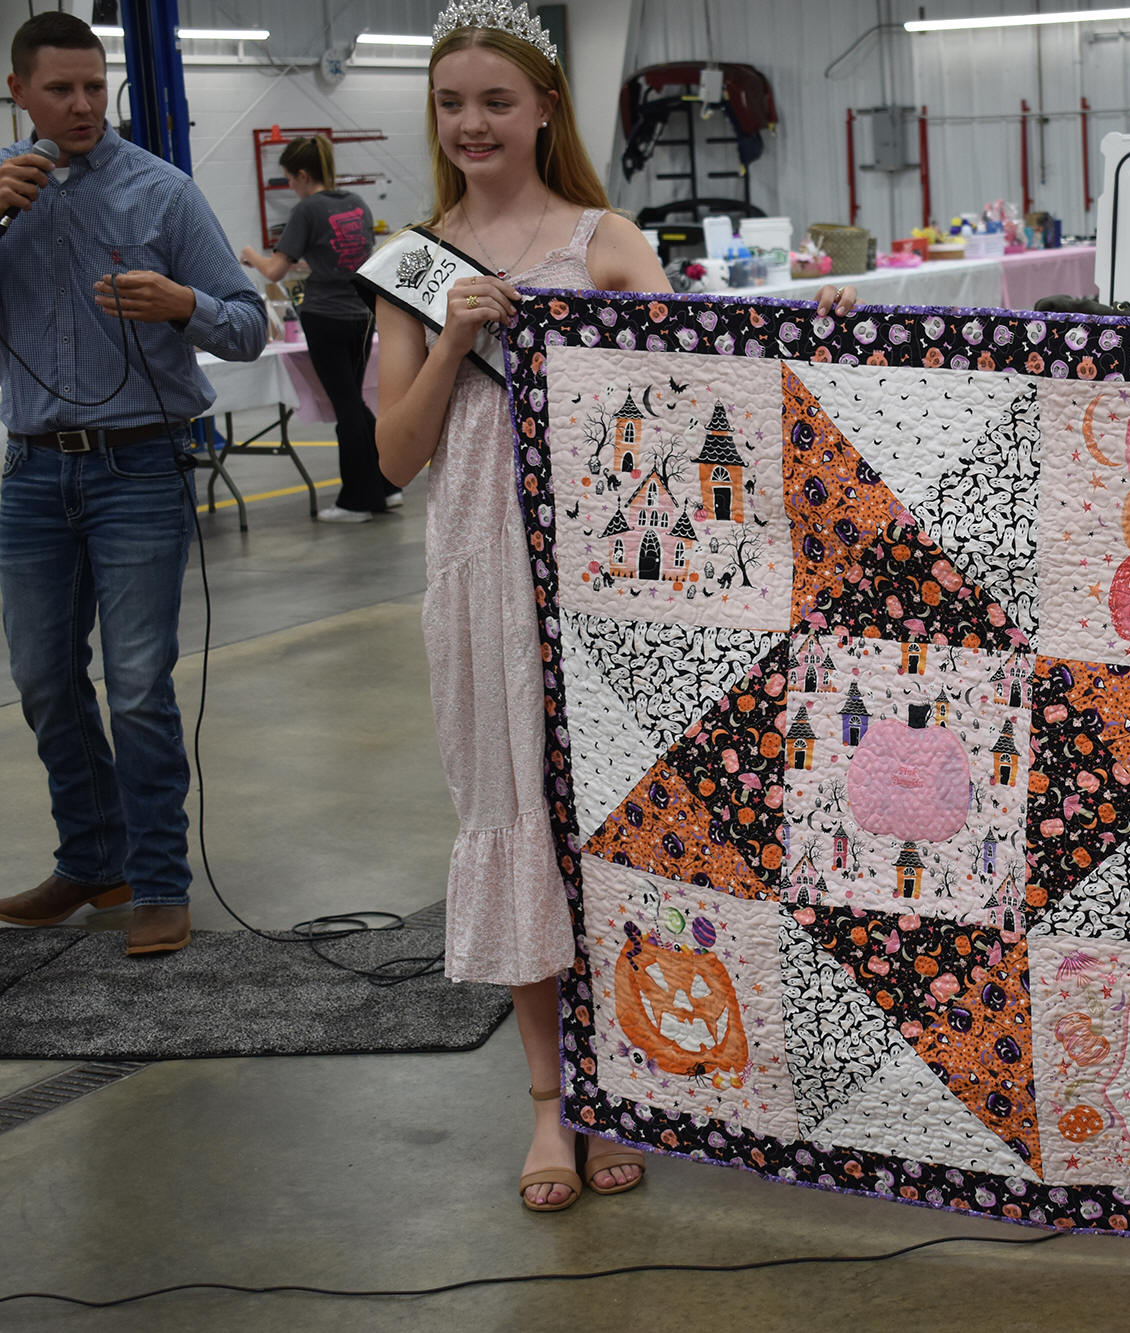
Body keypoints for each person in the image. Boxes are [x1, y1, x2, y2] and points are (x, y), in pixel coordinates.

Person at [370, 2, 668, 1214]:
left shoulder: (607, 242)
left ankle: (624, 1085)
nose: (472, 123)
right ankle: (550, 1100)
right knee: (515, 820)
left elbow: (705, 389)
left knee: (615, 828)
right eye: (451, 103)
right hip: (482, 576)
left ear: (545, 107)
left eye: (496, 100)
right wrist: (449, 343)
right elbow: (394, 457)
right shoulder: (410, 263)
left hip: (611, 584)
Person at [0, 13, 266, 956]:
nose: (82, 105)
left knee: (139, 685)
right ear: (18, 93)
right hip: (30, 471)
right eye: (60, 89)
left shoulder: (163, 191)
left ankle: (158, 880)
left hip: (139, 469)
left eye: (93, 85)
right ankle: (91, 860)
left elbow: (248, 324)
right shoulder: (3, 193)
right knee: (42, 680)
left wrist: (185, 304)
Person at [239, 135, 399, 520]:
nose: (290, 187)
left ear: (303, 174)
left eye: (289, 179)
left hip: (325, 317)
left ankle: (358, 500)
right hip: (360, 315)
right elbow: (347, 258)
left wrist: (251, 256)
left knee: (347, 408)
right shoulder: (356, 204)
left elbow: (274, 270)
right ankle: (387, 483)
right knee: (354, 403)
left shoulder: (307, 209)